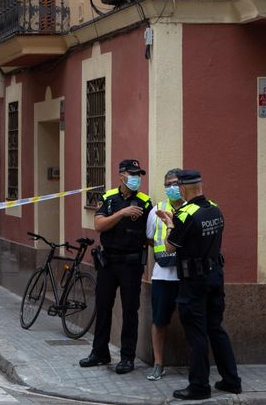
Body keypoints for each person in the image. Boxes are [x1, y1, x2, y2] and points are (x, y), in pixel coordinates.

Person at [157, 169, 241, 400]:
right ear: (200, 186)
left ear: (183, 188)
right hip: (215, 276)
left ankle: (199, 386)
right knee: (216, 329)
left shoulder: (184, 214)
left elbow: (170, 246)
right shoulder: (215, 208)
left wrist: (169, 223)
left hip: (194, 282)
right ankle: (232, 381)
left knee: (197, 334)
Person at [80, 159, 152, 374]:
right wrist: (122, 213)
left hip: (131, 264)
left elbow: (149, 235)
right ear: (121, 175)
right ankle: (99, 352)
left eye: (138, 175)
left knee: (131, 311)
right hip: (108, 263)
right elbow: (98, 225)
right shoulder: (108, 198)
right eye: (132, 174)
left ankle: (127, 357)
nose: (136, 178)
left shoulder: (146, 202)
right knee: (103, 307)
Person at [145, 169, 184, 381]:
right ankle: (158, 364)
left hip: (186, 275)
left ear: (184, 185)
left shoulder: (191, 209)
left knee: (193, 321)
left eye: (176, 183)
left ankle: (196, 365)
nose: (172, 188)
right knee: (159, 320)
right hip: (162, 275)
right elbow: (150, 239)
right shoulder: (156, 210)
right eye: (168, 184)